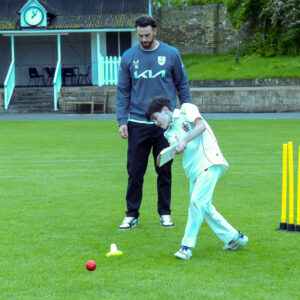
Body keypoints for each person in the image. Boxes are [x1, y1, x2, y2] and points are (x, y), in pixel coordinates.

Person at [145, 97, 248, 260]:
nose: (156, 123)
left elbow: (201, 126)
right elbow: (176, 146)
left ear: (165, 110)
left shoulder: (186, 109)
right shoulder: (169, 132)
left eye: (155, 118)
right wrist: (175, 149)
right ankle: (235, 238)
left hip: (209, 161)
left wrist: (184, 140)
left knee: (196, 203)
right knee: (205, 207)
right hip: (194, 171)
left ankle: (186, 247)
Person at [116, 15, 191, 230]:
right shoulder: (129, 57)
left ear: (155, 31)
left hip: (165, 126)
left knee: (164, 170)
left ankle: (165, 213)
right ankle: (131, 215)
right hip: (137, 123)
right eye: (139, 35)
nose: (143, 39)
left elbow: (182, 85)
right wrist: (122, 120)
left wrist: (185, 113)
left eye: (147, 35)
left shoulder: (171, 54)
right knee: (135, 171)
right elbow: (122, 91)